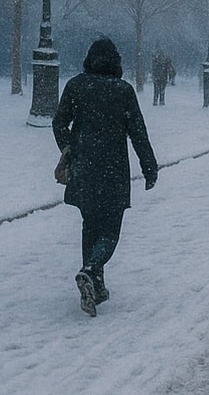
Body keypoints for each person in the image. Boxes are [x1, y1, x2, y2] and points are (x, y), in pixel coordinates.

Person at [52, 37, 158, 317]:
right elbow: (138, 132)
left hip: (84, 167)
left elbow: (59, 121)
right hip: (113, 169)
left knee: (90, 224)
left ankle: (95, 284)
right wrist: (149, 166)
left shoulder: (76, 86)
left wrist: (68, 148)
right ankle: (91, 271)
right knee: (110, 229)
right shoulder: (122, 90)